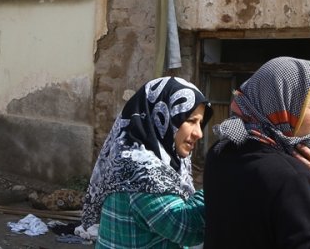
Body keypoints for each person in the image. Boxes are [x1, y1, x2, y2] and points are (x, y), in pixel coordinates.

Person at [203, 57, 310, 249]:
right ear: (283, 105)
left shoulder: (220, 152)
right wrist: (306, 185)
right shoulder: (292, 179)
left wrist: (308, 185)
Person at [78, 76, 213, 249]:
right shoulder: (142, 170)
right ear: (161, 115)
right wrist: (222, 185)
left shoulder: (146, 158)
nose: (199, 133)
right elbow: (186, 229)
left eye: (200, 123)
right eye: (191, 121)